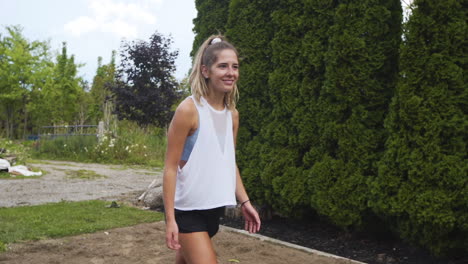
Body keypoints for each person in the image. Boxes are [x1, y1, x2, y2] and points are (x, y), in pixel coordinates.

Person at [162, 34, 261, 264]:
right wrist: (170, 220)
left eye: (235, 67)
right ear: (206, 71)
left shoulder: (232, 115)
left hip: (212, 210)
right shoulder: (189, 110)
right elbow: (169, 168)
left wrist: (245, 202)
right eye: (223, 66)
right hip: (187, 211)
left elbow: (229, 163)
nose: (231, 72)